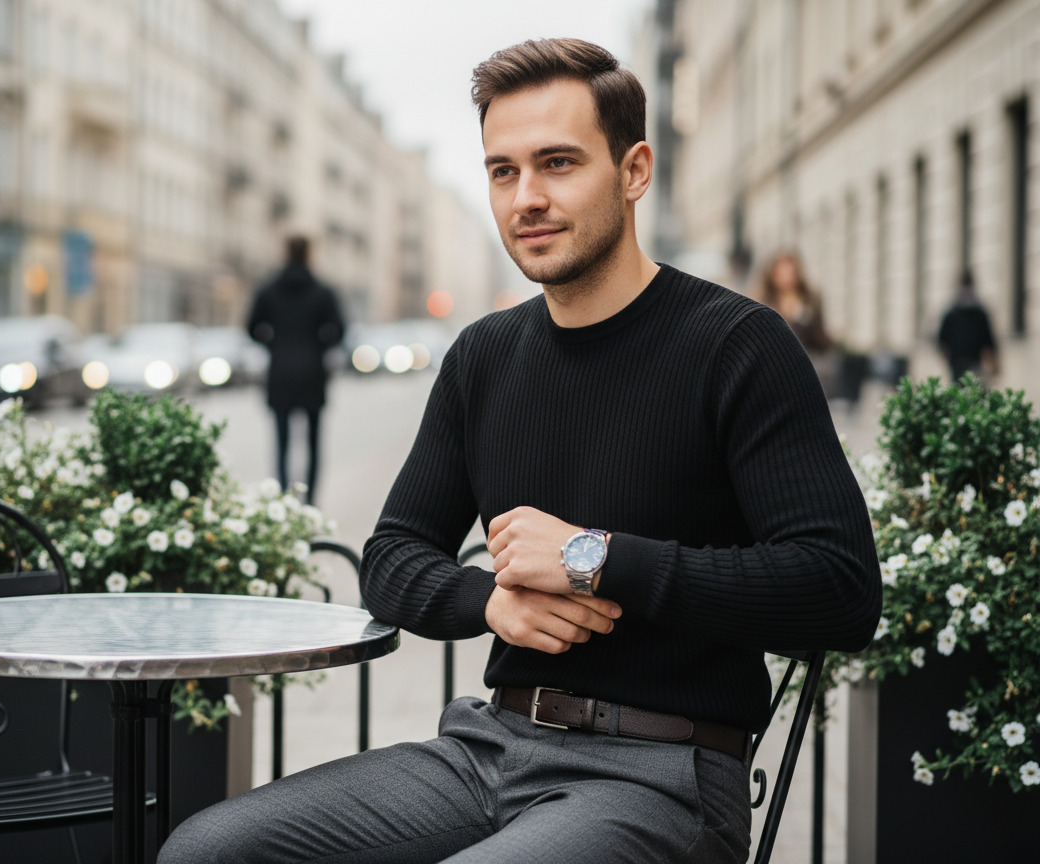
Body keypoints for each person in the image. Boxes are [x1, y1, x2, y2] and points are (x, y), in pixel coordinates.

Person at [161, 38, 880, 864]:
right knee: (206, 850)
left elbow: (840, 588)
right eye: (503, 171)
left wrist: (591, 557)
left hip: (664, 775)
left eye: (558, 163)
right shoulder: (484, 356)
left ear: (635, 170)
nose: (526, 198)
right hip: (489, 750)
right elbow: (391, 557)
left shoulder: (738, 345)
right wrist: (489, 604)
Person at [247, 236, 345, 504]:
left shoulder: (268, 289)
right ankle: (310, 502)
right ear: (309, 254)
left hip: (280, 372)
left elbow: (252, 327)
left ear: (284, 252)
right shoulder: (323, 291)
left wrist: (274, 343)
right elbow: (339, 330)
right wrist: (318, 345)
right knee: (313, 443)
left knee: (282, 443)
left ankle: (283, 500)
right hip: (313, 373)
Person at [755, 250, 835, 392]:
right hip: (772, 369)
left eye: (791, 272)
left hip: (805, 365)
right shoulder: (763, 301)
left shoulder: (811, 299)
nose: (787, 277)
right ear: (773, 274)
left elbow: (819, 335)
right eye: (783, 272)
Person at [938, 269, 998, 383]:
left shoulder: (976, 313)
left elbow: (988, 341)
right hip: (960, 362)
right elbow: (942, 340)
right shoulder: (954, 313)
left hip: (971, 362)